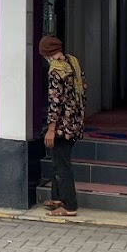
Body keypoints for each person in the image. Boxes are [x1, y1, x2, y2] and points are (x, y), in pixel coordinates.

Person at [41, 34, 86, 219]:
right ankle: (57, 198)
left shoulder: (56, 70)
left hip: (61, 125)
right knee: (59, 161)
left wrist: (51, 129)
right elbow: (83, 91)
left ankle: (69, 206)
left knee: (62, 165)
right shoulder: (73, 63)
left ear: (48, 54)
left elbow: (55, 102)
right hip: (75, 122)